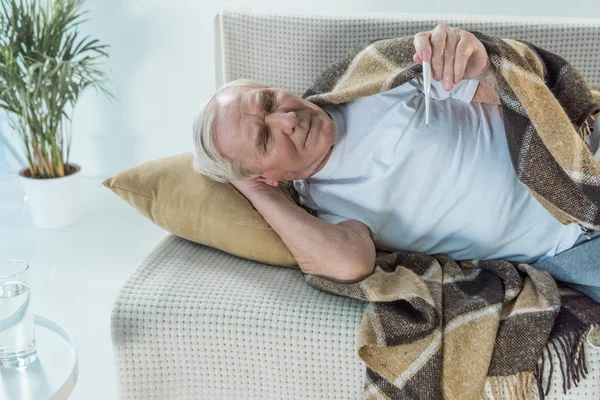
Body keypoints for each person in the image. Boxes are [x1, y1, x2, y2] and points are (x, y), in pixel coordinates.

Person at [192, 24, 600, 300]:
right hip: (568, 246)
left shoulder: (371, 85)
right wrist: (257, 191)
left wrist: (485, 65)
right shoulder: (324, 209)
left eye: (267, 100)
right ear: (264, 176)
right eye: (265, 138)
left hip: (585, 165)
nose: (287, 119)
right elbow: (351, 264)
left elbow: (518, 98)